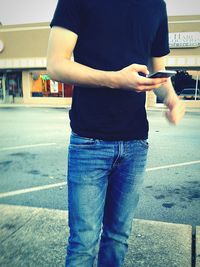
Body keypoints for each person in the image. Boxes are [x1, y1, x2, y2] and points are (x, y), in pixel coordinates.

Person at [47, 0, 185, 266]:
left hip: (135, 143)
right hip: (89, 140)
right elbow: (55, 65)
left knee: (118, 238)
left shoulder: (156, 5)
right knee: (83, 243)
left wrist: (171, 99)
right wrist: (114, 79)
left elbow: (159, 77)